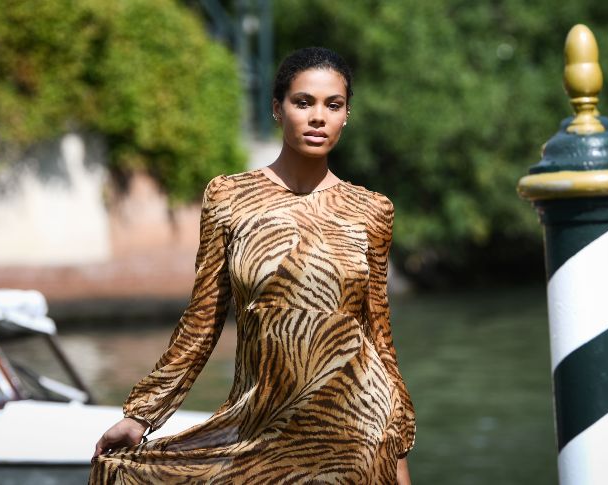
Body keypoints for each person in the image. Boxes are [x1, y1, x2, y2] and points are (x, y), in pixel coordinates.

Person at [91, 46, 416, 484]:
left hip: (357, 426)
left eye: (332, 105)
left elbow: (378, 332)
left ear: (346, 115)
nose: (318, 117)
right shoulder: (229, 197)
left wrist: (398, 436)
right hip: (261, 425)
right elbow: (203, 320)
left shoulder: (371, 210)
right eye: (303, 102)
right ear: (277, 110)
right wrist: (142, 415)